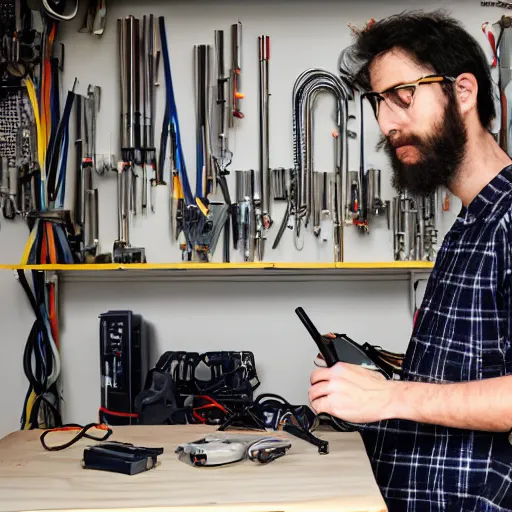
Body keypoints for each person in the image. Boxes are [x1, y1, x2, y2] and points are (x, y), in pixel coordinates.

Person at [308, 10, 512, 512]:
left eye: (403, 96)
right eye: (378, 104)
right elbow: (469, 367)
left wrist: (389, 398)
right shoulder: (468, 225)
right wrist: (373, 370)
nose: (387, 124)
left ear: (463, 92)